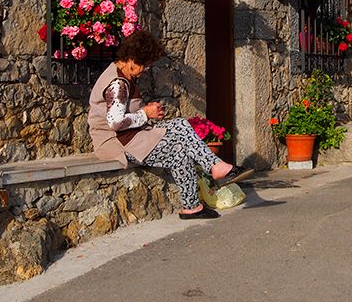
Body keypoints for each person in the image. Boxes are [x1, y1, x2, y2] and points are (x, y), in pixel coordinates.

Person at [87, 30, 253, 219]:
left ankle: (194, 203)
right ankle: (213, 169)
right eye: (144, 65)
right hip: (117, 143)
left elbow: (121, 113)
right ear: (131, 59)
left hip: (129, 137)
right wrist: (145, 113)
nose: (144, 70)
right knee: (179, 142)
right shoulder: (118, 84)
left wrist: (143, 112)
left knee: (180, 136)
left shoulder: (120, 75)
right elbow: (116, 123)